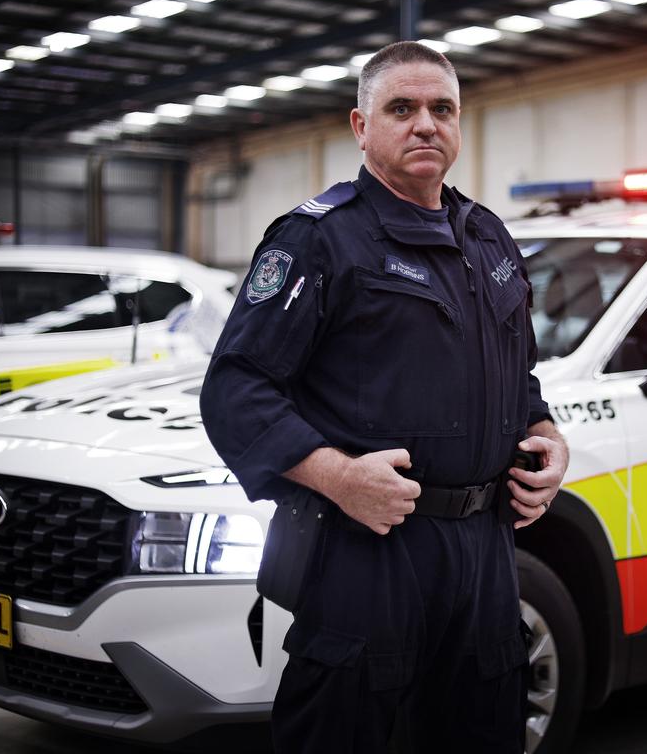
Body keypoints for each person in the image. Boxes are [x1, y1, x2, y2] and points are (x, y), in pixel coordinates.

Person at [200, 40, 568, 754]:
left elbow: (520, 378)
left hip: (484, 553)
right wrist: (337, 477)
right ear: (361, 128)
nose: (425, 124)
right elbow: (235, 388)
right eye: (401, 108)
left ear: (459, 125)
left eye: (442, 109)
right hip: (368, 550)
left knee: (482, 729)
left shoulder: (490, 240)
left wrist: (548, 434)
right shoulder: (318, 241)